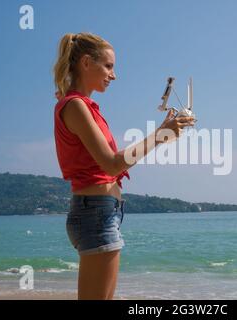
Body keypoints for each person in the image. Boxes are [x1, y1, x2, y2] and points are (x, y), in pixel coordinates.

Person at [53, 32, 194, 300]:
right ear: (85, 62)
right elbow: (112, 164)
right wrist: (160, 134)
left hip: (103, 212)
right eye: (108, 66)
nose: (113, 75)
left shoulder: (82, 105)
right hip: (95, 213)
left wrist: (164, 134)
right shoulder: (75, 106)